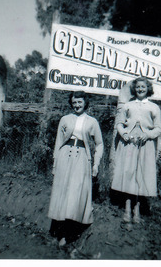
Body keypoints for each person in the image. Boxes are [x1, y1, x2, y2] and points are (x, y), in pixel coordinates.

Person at [48, 90, 104, 246]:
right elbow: (58, 142)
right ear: (71, 103)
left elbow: (99, 144)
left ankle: (67, 234)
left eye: (80, 102)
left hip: (82, 160)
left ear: (85, 102)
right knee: (62, 192)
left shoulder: (92, 122)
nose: (77, 105)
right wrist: (55, 163)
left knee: (75, 194)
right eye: (74, 102)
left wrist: (96, 164)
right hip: (65, 156)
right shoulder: (65, 119)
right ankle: (57, 231)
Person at [111, 77, 161, 224]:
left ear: (148, 89)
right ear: (135, 89)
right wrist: (125, 135)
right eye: (138, 87)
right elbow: (120, 124)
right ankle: (127, 208)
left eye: (143, 87)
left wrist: (148, 135)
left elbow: (158, 128)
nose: (140, 89)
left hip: (145, 144)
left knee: (141, 175)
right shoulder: (128, 105)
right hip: (129, 144)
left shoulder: (154, 107)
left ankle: (137, 209)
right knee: (129, 174)